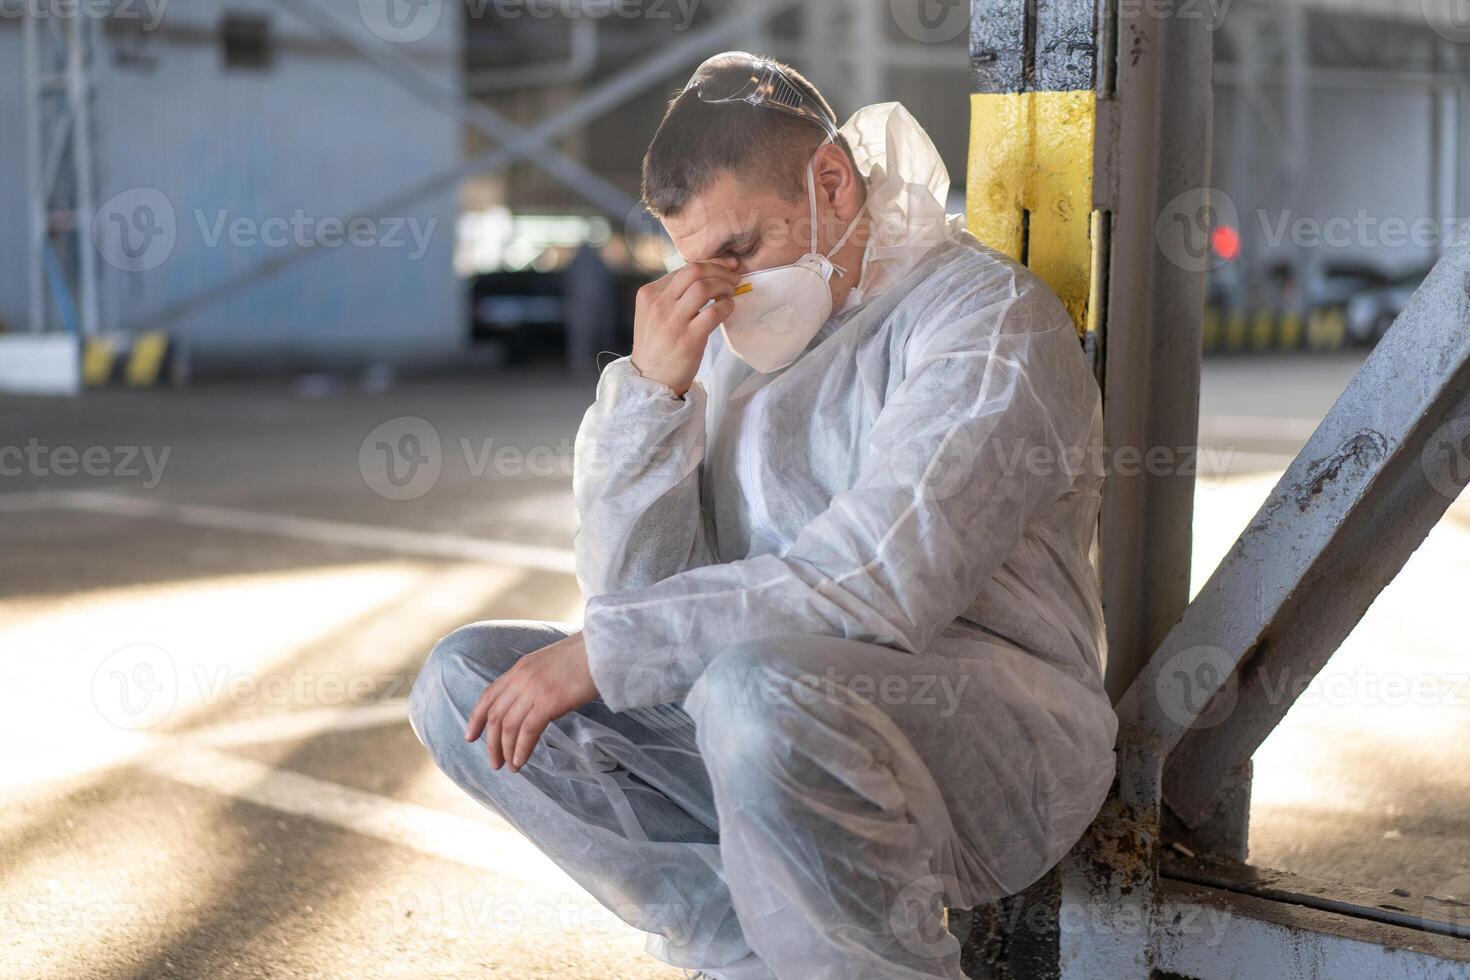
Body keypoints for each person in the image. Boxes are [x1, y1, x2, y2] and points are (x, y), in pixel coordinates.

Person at [410, 52, 1118, 980]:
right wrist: (652, 399)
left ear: (830, 179)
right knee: (464, 680)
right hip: (751, 718)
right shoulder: (726, 349)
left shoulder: (983, 320)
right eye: (694, 261)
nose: (722, 289)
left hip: (989, 734)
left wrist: (605, 650)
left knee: (755, 687)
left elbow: (881, 579)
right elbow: (639, 597)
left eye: (737, 251)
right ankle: (747, 954)